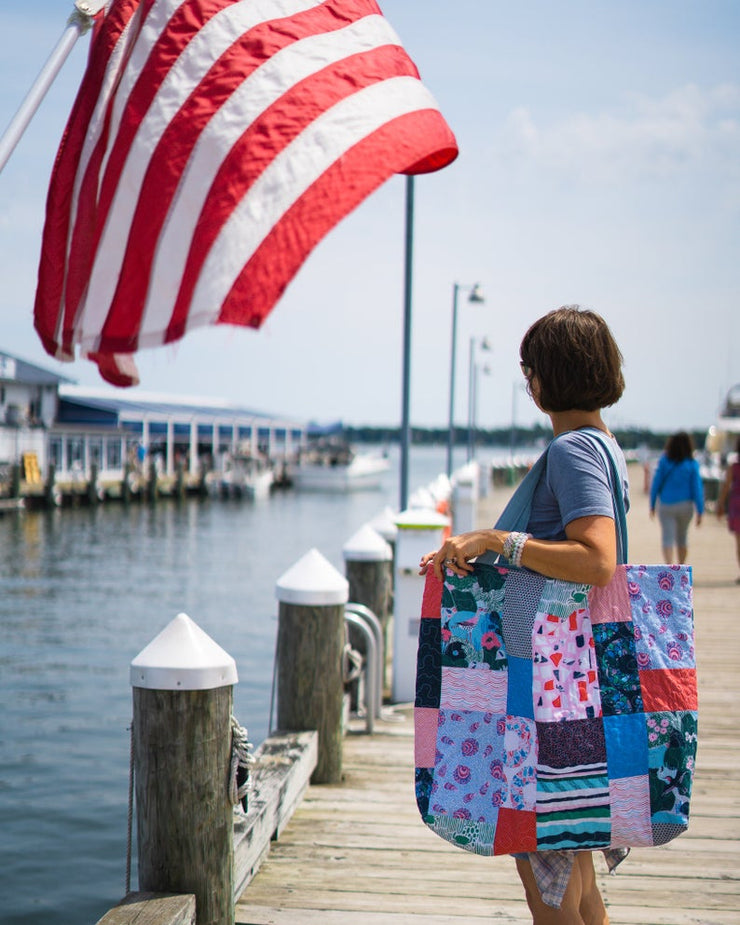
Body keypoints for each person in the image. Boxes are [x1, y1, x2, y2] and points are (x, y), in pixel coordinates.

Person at [420, 305, 629, 925]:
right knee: (574, 867)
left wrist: (493, 540)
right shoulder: (605, 445)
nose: (527, 381)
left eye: (529, 368)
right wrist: (474, 552)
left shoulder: (572, 452)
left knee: (542, 862)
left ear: (548, 376)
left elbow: (597, 559)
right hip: (574, 681)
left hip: (549, 688)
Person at [649, 431, 704, 563]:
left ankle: (669, 568)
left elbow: (656, 483)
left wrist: (652, 504)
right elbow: (697, 488)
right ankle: (681, 568)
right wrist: (700, 510)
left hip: (666, 504)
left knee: (667, 538)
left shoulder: (664, 461)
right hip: (686, 506)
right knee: (682, 538)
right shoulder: (692, 464)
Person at [716, 435, 740, 583]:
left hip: (737, 505)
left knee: (739, 542)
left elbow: (726, 486)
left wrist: (720, 503)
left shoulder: (734, 466)